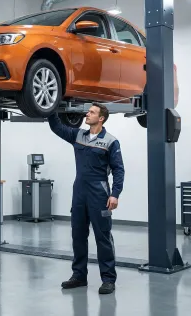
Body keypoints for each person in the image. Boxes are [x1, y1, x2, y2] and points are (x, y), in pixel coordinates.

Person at [48, 103, 124, 295]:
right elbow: (57, 127)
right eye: (88, 111)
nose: (86, 114)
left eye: (91, 112)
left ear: (101, 118)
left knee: (103, 237)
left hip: (100, 193)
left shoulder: (110, 141)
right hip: (79, 192)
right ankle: (79, 275)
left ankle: (108, 279)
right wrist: (49, 109)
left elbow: (118, 170)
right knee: (78, 235)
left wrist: (115, 194)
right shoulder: (78, 135)